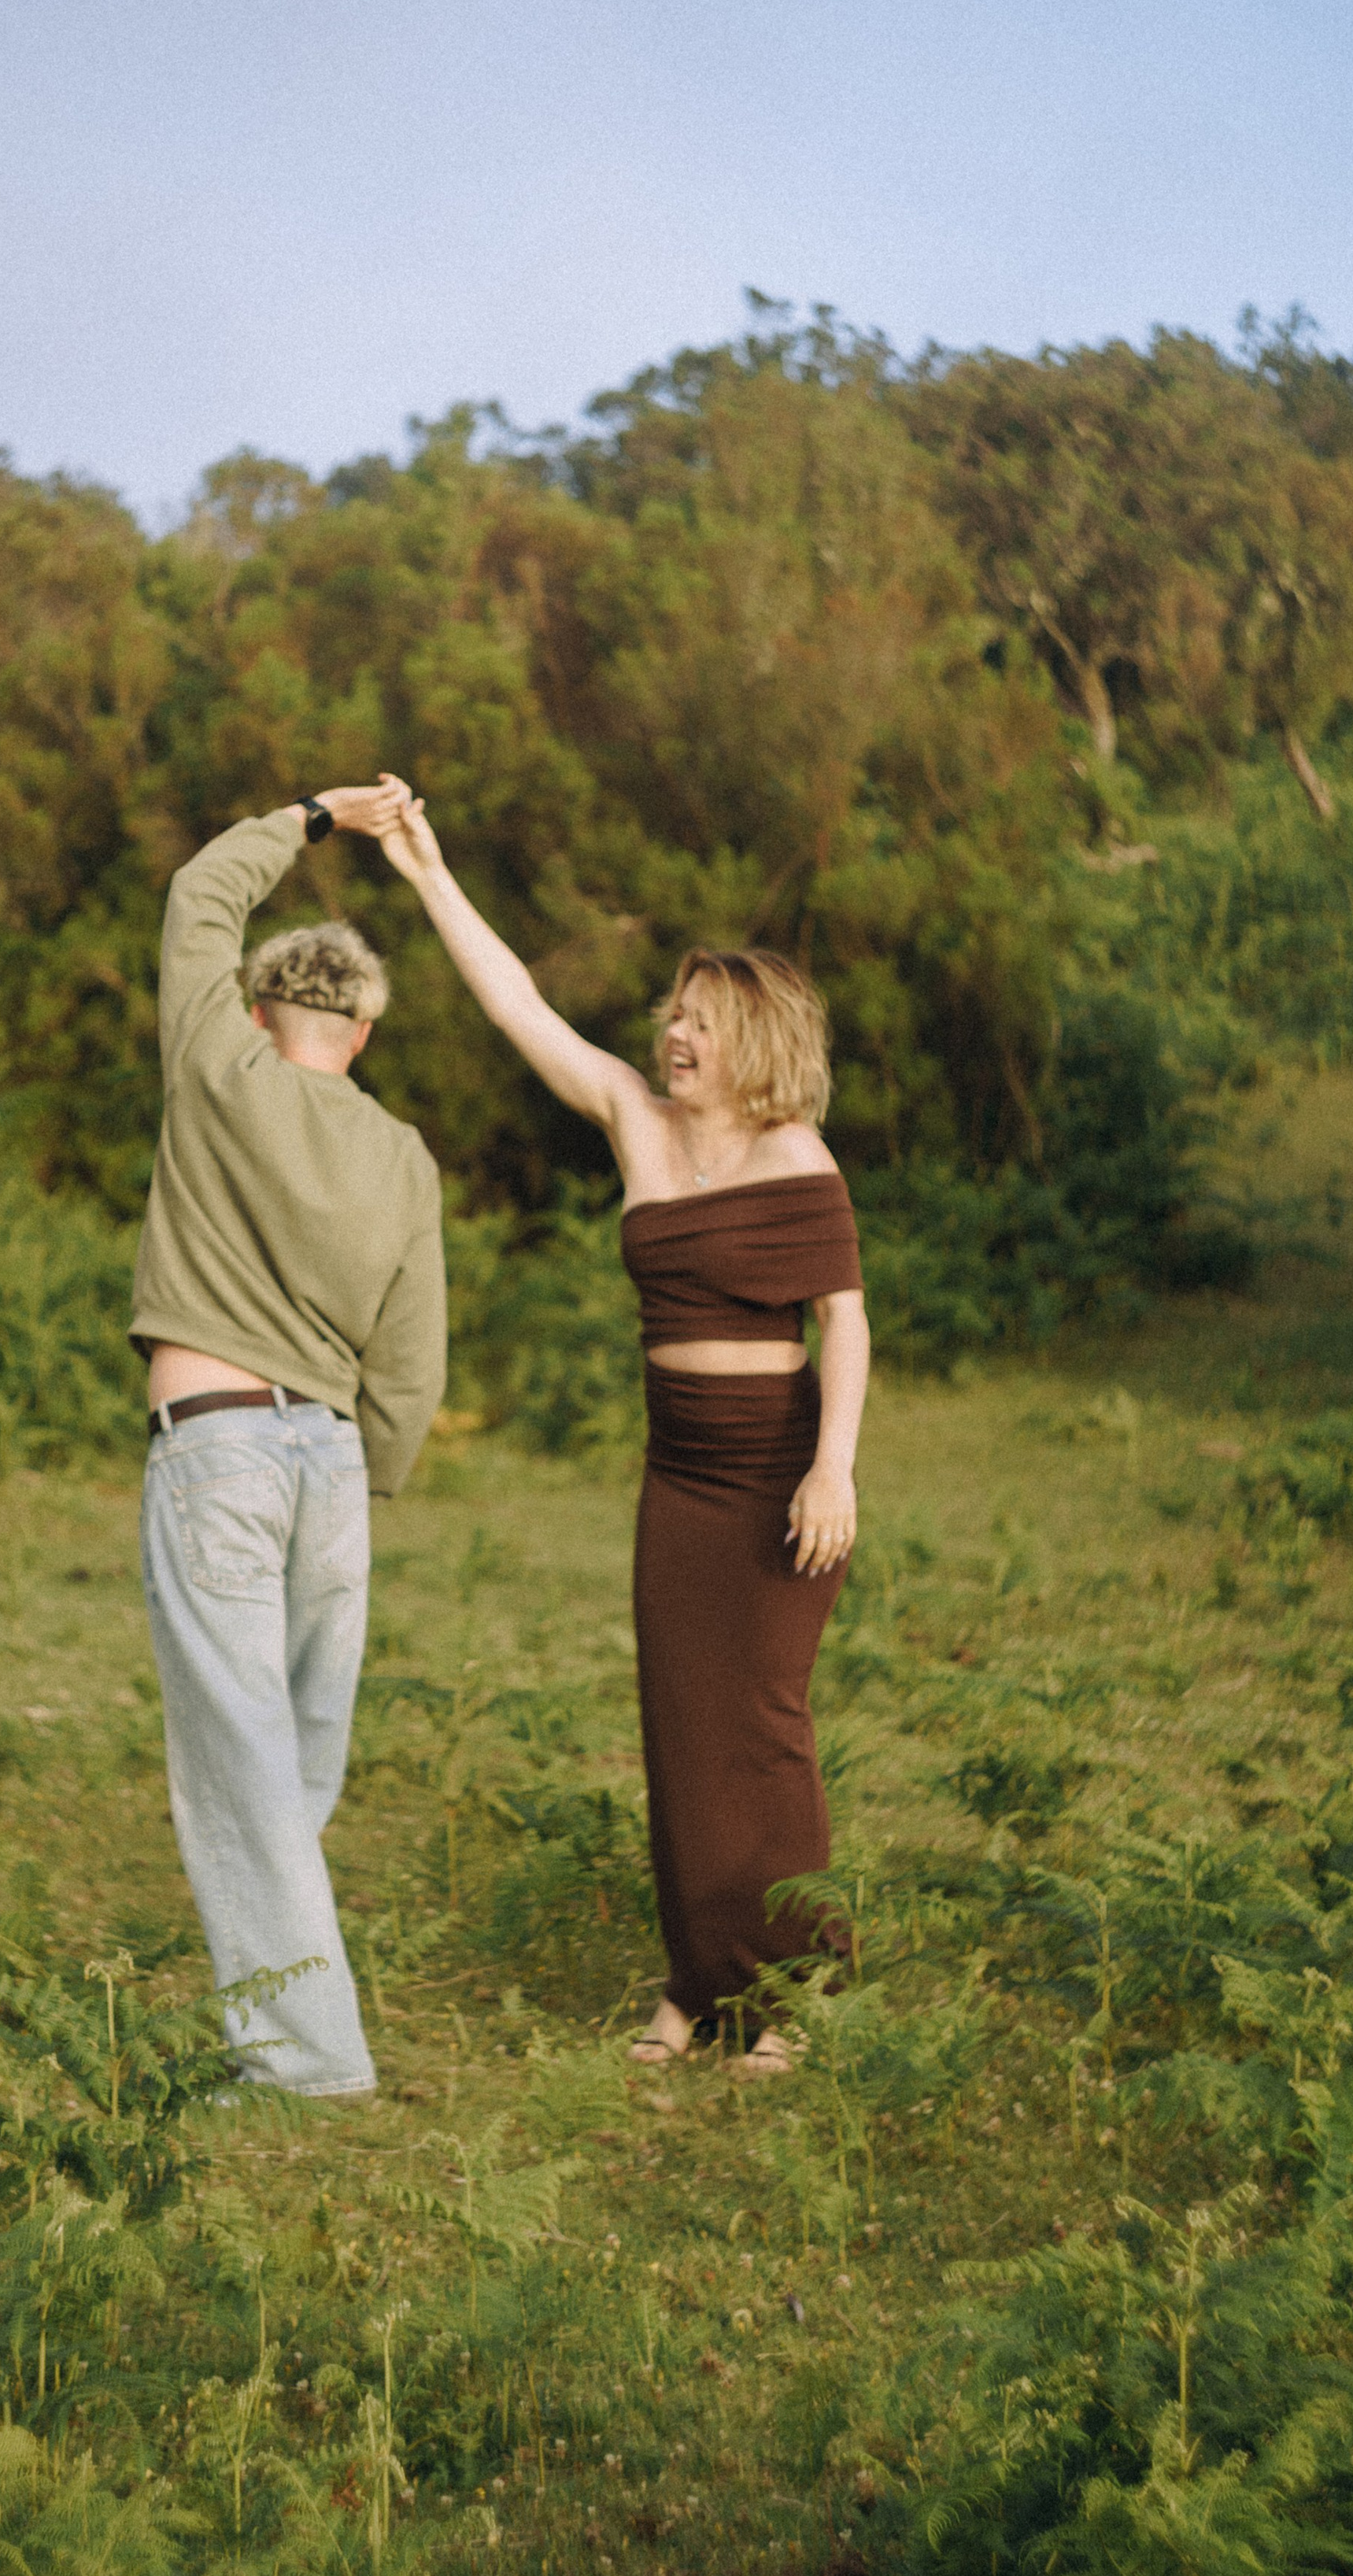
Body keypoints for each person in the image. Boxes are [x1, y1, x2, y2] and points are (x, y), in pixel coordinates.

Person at [376, 788, 868, 2075]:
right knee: (679, 1728)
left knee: (762, 1724)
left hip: (776, 1473)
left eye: (699, 1018)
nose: (673, 1033)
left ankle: (796, 1994)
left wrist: (833, 1468)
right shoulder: (631, 1120)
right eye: (672, 1013)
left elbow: (847, 1325)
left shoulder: (798, 1156)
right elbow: (516, 1005)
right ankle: (701, 1989)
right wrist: (428, 868)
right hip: (681, 1478)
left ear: (750, 1035)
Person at [130, 783, 446, 2097]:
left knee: (244, 1771)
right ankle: (281, 1998)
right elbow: (413, 1368)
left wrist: (316, 815)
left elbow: (199, 895)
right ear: (362, 1032)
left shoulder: (216, 1060)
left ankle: (306, 2064)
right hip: (331, 1467)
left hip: (214, 1449)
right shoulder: (407, 1158)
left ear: (261, 1010)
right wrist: (365, 1480)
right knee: (294, 1762)